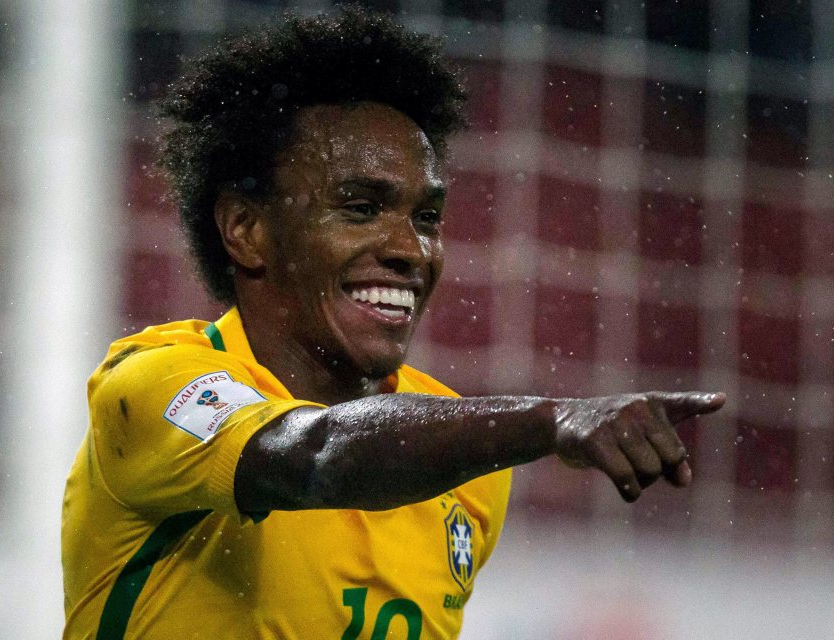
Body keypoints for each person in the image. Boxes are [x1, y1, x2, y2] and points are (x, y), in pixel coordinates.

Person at [61, 7, 725, 639]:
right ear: (246, 229)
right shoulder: (150, 392)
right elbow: (315, 455)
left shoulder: (472, 474)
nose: (412, 249)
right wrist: (548, 421)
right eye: (360, 207)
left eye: (427, 217)